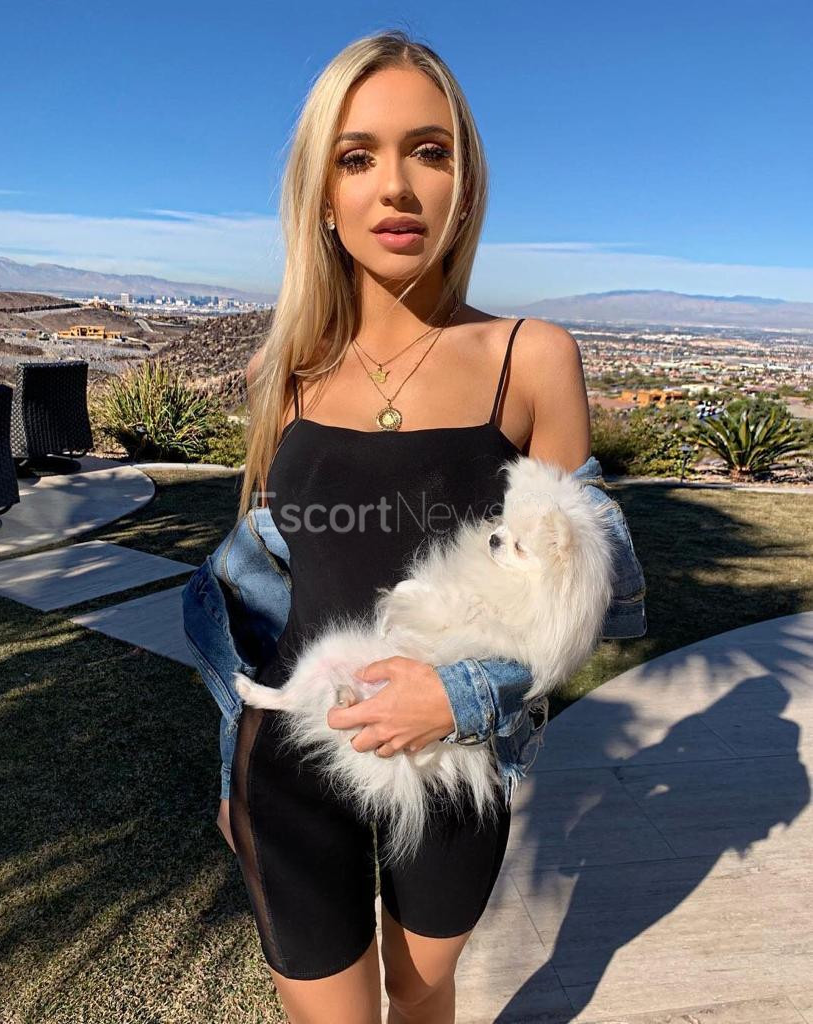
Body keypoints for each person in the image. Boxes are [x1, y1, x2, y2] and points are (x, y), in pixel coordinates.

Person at [229, 28, 594, 1023]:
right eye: (357, 158)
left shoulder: (532, 359)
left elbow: (582, 601)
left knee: (422, 1001)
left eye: (429, 151)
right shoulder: (282, 372)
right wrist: (232, 761)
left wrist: (461, 695)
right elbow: (255, 595)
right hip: (288, 767)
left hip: (451, 772)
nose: (395, 186)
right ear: (322, 195)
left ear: (465, 187)